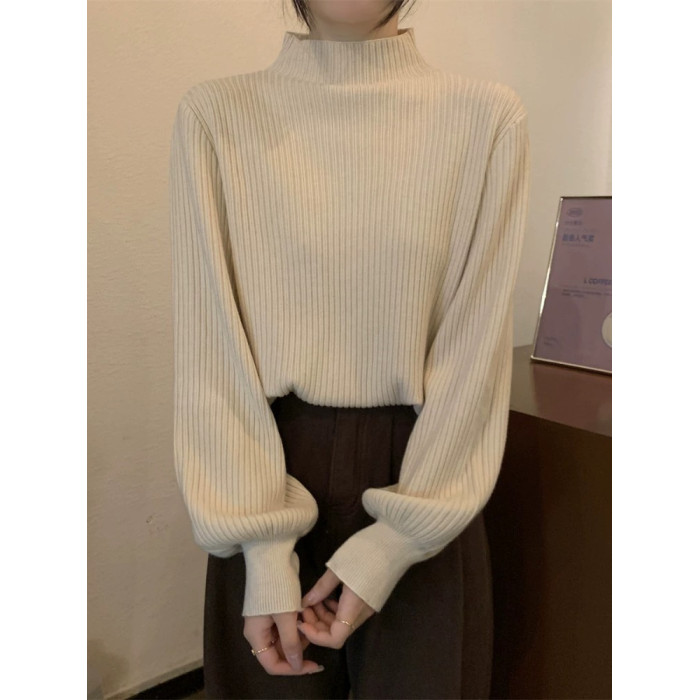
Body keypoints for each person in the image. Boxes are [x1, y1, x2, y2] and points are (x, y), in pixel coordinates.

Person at [168, 0, 531, 697]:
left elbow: (474, 357)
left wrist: (402, 537)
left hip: (428, 471)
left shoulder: (487, 119)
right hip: (265, 467)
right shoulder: (215, 117)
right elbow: (211, 354)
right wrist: (261, 545)